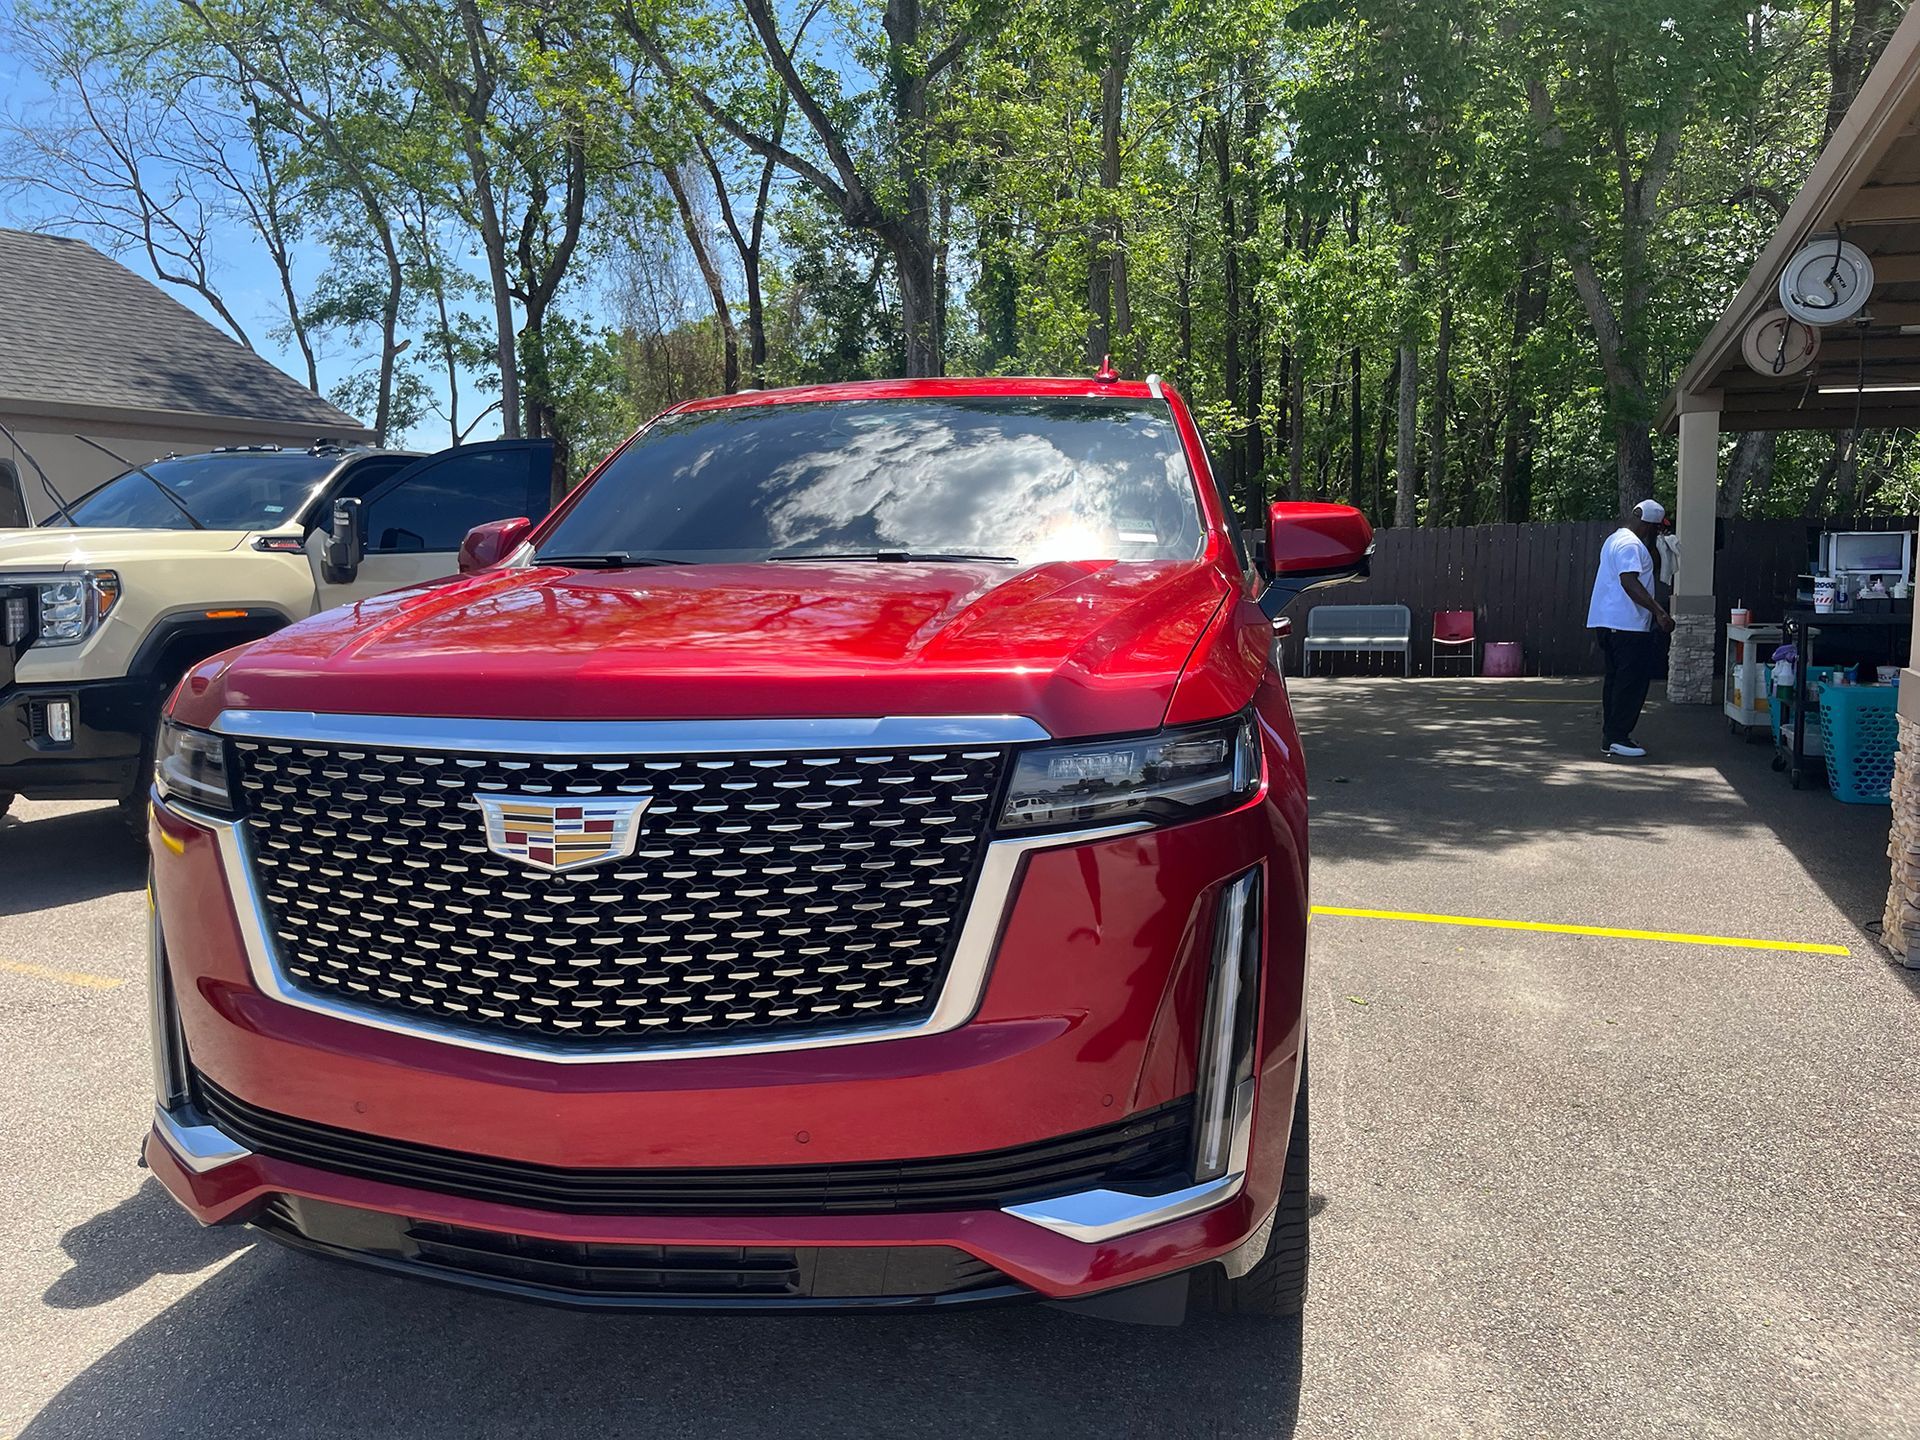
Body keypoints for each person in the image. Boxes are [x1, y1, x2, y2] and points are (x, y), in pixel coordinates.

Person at [1587, 499, 1674, 759]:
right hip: (1627, 625)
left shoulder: (1615, 539)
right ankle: (1617, 736)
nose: (1655, 533)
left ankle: (1611, 735)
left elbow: (1643, 570)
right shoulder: (1630, 545)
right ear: (1647, 524)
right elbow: (1629, 581)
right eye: (1656, 529)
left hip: (1608, 623)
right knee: (1631, 683)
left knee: (1615, 681)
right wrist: (1658, 611)